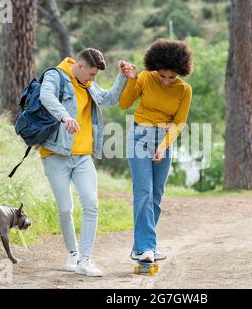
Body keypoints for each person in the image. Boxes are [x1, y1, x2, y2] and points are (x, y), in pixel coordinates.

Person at [39, 48, 132, 276]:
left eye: (95, 76)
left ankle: (85, 260)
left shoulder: (88, 84)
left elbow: (109, 98)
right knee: (65, 209)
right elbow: (46, 96)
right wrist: (65, 116)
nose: (92, 79)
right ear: (79, 66)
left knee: (91, 204)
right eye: (91, 74)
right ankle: (72, 254)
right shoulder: (55, 75)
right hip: (55, 155)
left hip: (82, 157)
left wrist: (122, 77)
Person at [119, 39, 194, 262]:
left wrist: (163, 147)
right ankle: (148, 247)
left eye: (172, 77)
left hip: (164, 140)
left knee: (156, 196)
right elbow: (124, 104)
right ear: (155, 68)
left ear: (181, 71)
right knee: (143, 191)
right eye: (162, 75)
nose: (166, 81)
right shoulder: (144, 77)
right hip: (139, 136)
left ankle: (140, 246)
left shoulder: (184, 90)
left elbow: (179, 123)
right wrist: (131, 81)